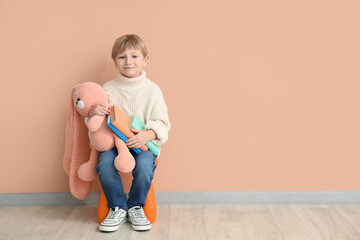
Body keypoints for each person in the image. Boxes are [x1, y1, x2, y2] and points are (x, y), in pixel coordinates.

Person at [89, 34, 170, 232]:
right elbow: (95, 122)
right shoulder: (108, 88)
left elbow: (163, 122)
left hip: (141, 143)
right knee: (105, 164)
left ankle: (135, 206)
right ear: (115, 62)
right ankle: (117, 206)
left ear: (145, 60)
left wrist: (148, 134)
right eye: (122, 57)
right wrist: (93, 112)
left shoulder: (152, 90)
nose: (128, 62)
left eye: (134, 56)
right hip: (114, 144)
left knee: (144, 167)